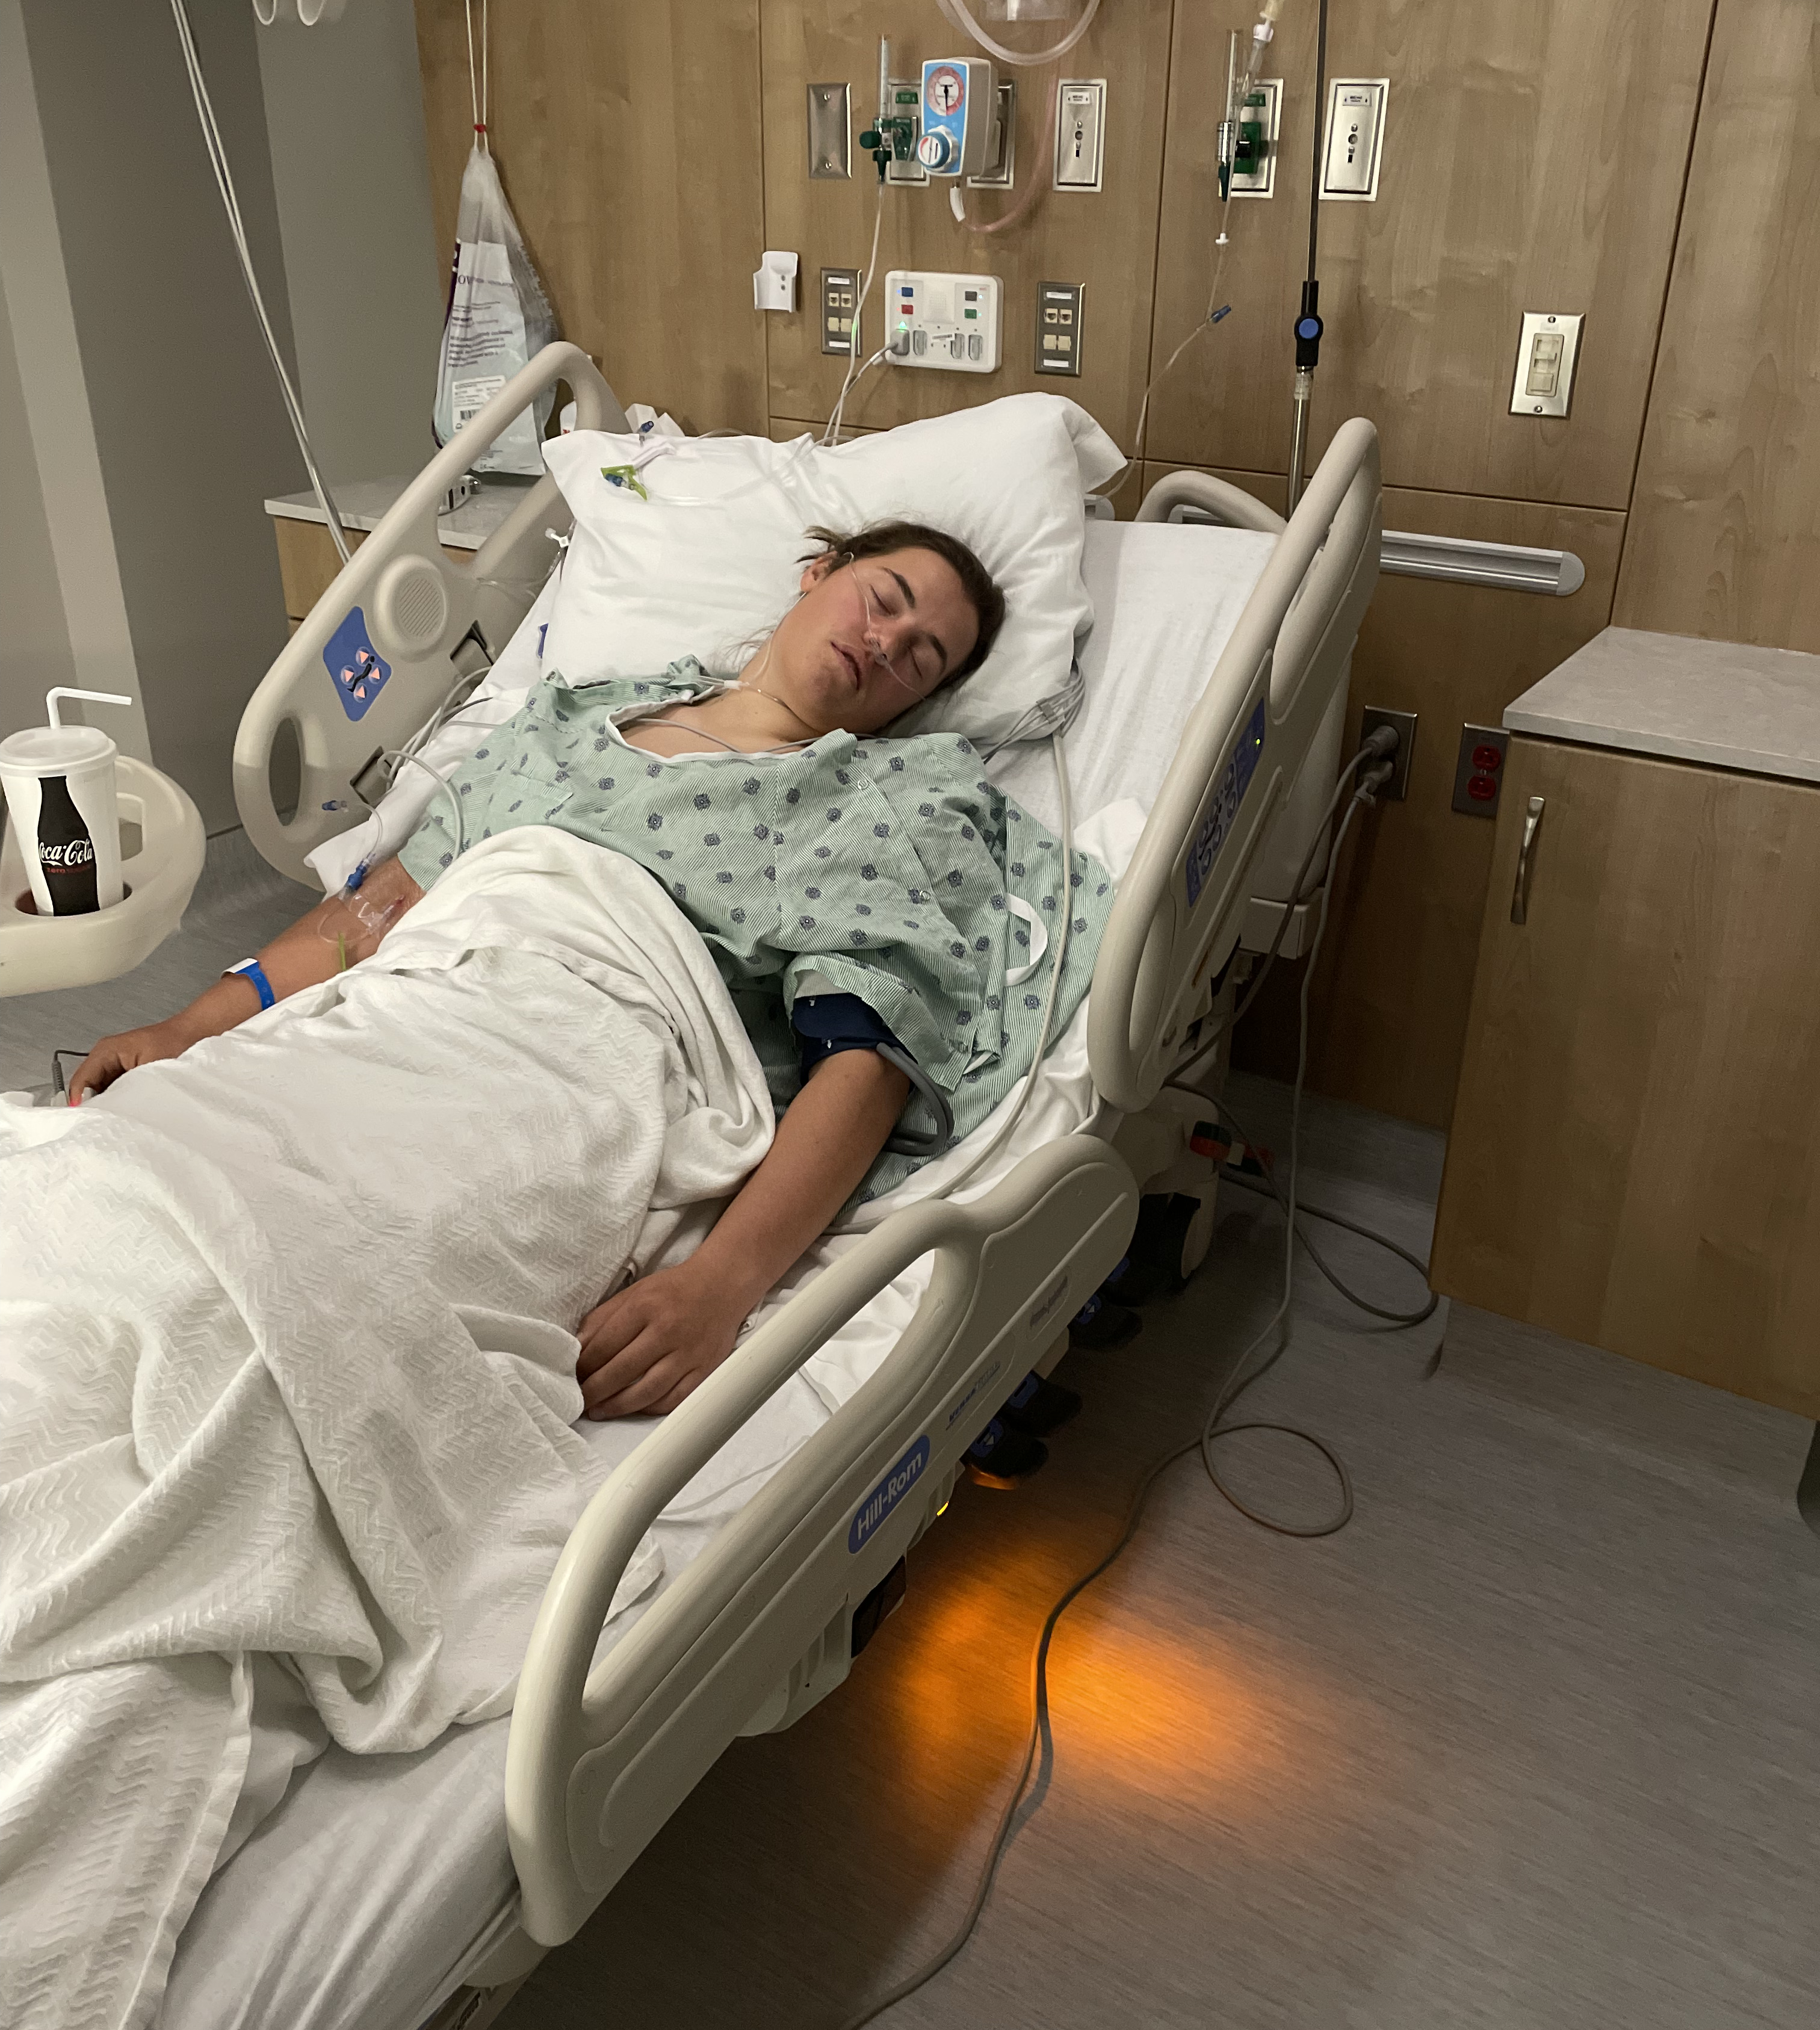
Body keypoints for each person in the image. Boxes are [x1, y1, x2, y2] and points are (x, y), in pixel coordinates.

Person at [69, 522, 1113, 1423]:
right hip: (404, 1012)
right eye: (884, 600)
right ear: (820, 570)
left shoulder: (878, 800)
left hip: (578, 1070)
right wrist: (190, 1027)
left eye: (922, 659)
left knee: (306, 1292)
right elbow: (376, 913)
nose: (886, 644)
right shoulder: (572, 719)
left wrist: (722, 1284)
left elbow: (866, 1063)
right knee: (123, 1189)